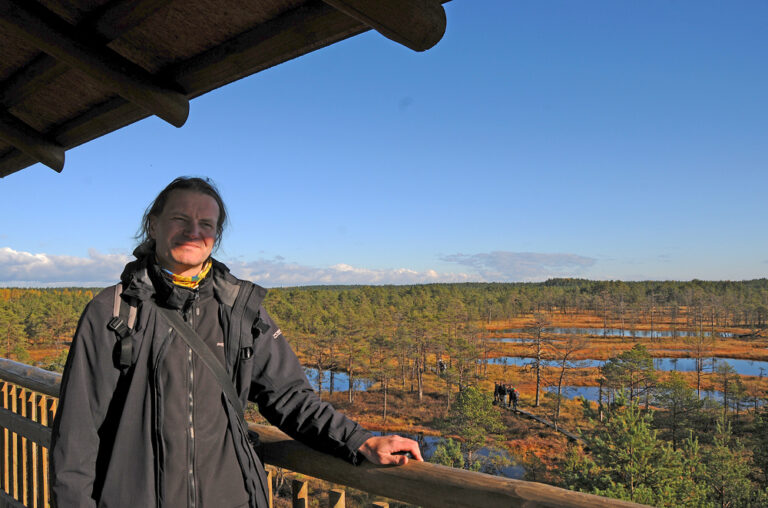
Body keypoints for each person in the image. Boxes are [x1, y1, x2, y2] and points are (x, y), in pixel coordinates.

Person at [51, 177, 422, 508]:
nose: (193, 232)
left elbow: (289, 397)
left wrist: (359, 440)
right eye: (180, 219)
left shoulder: (240, 310)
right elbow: (77, 435)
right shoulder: (113, 311)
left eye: (206, 224)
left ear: (216, 236)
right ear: (154, 224)